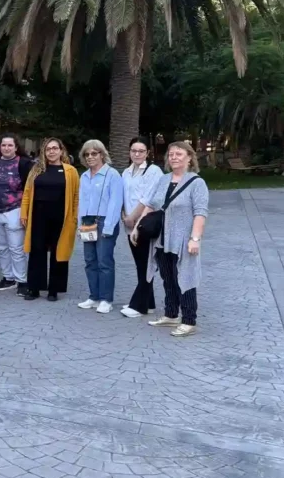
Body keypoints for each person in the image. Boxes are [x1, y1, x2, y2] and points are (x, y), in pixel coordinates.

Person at [132, 141, 209, 337]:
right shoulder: (164, 180)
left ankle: (189, 320)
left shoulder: (196, 183)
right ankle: (171, 314)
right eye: (171, 154)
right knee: (168, 278)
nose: (174, 157)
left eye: (179, 154)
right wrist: (138, 226)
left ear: (189, 158)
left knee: (185, 277)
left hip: (183, 240)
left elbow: (200, 213)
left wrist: (195, 239)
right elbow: (151, 205)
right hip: (161, 239)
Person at [20, 138, 79, 302]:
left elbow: (76, 196)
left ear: (61, 151)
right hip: (38, 216)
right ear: (44, 152)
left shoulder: (70, 171)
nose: (51, 151)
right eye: (48, 149)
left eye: (54, 148)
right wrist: (24, 213)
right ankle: (34, 288)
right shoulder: (36, 170)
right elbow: (27, 192)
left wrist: (74, 218)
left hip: (61, 217)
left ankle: (54, 289)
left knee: (58, 252)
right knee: (36, 250)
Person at [77, 139, 125, 314]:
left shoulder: (112, 175)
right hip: (88, 221)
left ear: (102, 154)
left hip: (105, 220)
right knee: (90, 261)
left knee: (104, 261)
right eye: (86, 154)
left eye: (94, 153)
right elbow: (82, 202)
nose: (90, 157)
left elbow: (115, 202)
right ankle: (94, 297)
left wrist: (109, 226)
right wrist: (80, 224)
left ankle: (106, 299)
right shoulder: (84, 176)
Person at [120, 136, 164, 318]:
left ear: (147, 153)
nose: (137, 154)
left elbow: (148, 198)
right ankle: (149, 303)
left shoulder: (154, 171)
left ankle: (139, 306)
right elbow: (123, 196)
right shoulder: (126, 172)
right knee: (140, 264)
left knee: (146, 264)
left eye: (141, 151)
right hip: (129, 225)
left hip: (144, 224)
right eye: (134, 151)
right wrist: (125, 216)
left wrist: (133, 217)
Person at [0, 134, 33, 294]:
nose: (6, 148)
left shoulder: (24, 164)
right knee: (1, 247)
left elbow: (30, 188)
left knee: (16, 248)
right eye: (4, 145)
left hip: (14, 210)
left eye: (10, 145)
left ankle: (22, 281)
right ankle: (8, 278)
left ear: (16, 147)